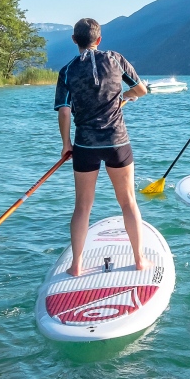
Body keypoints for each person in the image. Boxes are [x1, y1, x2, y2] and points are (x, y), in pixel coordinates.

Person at [53, 18, 148, 277]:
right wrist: (124, 97)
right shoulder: (116, 59)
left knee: (82, 207)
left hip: (84, 144)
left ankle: (76, 266)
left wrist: (66, 144)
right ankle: (139, 261)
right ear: (99, 39)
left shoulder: (67, 70)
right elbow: (141, 90)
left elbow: (63, 111)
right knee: (128, 202)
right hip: (117, 142)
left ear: (75, 40)